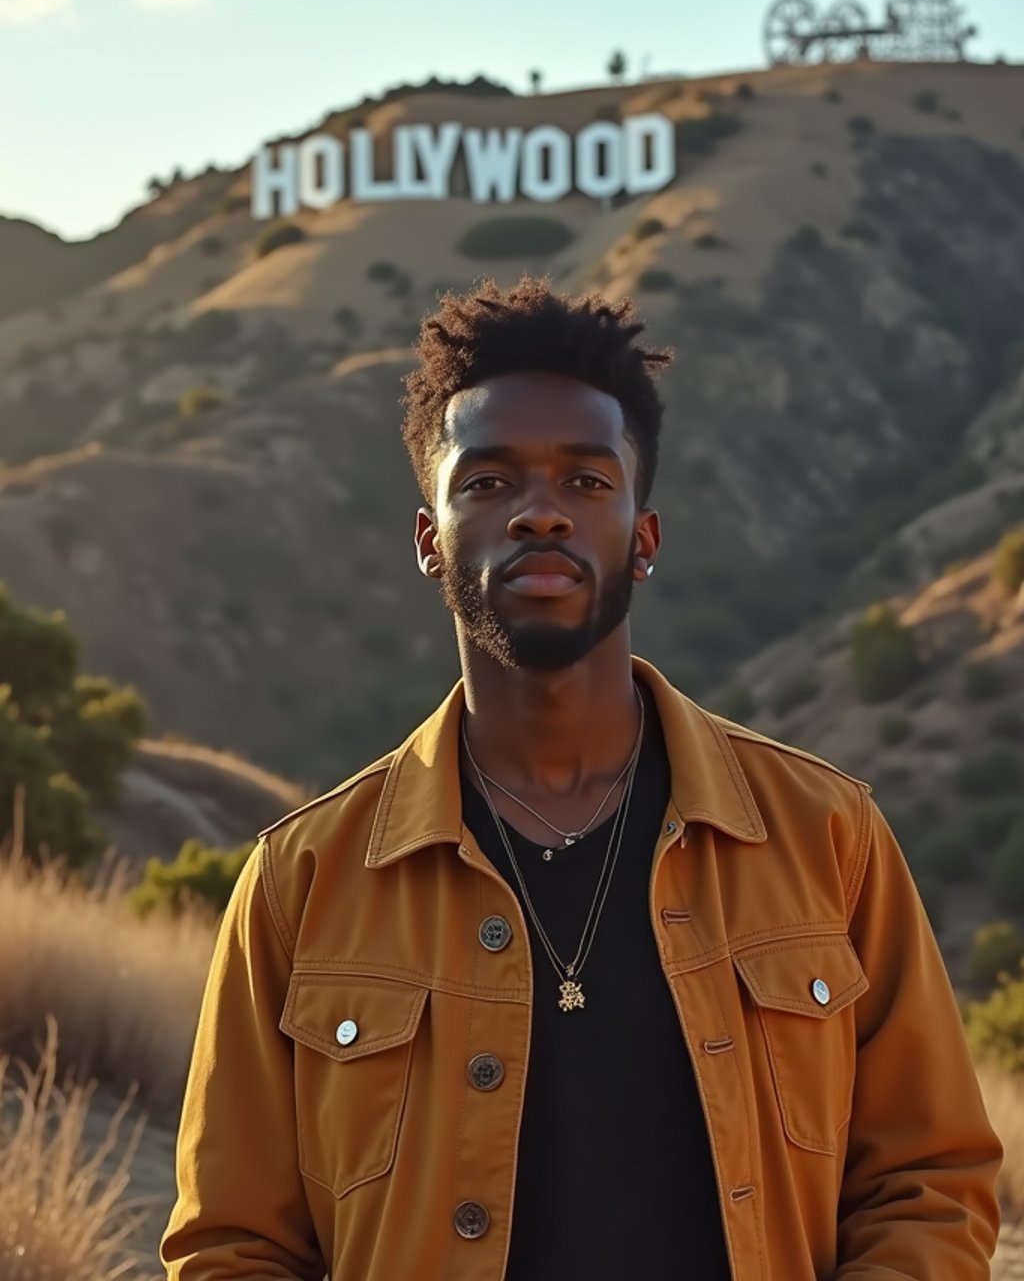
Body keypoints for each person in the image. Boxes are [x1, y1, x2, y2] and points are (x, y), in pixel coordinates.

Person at [161, 276, 1002, 1280]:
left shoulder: (825, 836)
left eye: (586, 482)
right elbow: (233, 1242)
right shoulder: (303, 881)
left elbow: (930, 1183)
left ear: (642, 540)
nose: (540, 514)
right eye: (489, 482)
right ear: (430, 541)